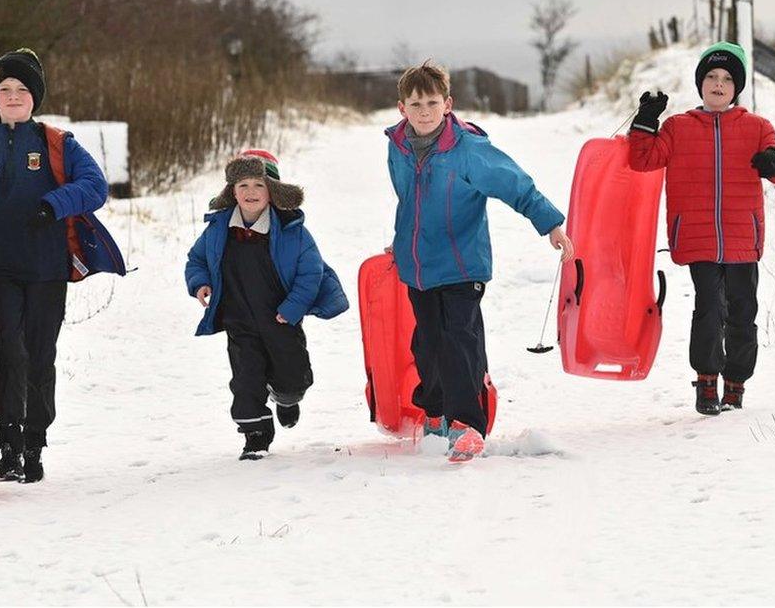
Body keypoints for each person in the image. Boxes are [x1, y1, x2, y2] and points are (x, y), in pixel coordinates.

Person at [0, 48, 125, 482]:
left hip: (46, 268)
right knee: (7, 350)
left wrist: (53, 205)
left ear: (35, 96)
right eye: (4, 89)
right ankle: (9, 439)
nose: (13, 96)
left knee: (39, 353)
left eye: (22, 89)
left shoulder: (57, 143)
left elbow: (94, 186)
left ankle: (35, 442)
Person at [385, 60, 574, 462]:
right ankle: (435, 413)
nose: (424, 112)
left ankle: (467, 424)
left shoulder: (467, 150)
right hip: (418, 265)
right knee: (428, 344)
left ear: (448, 104)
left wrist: (550, 223)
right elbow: (409, 201)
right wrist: (403, 240)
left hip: (462, 264)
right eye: (415, 104)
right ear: (402, 108)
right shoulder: (397, 145)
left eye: (432, 103)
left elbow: (514, 183)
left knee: (460, 341)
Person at [628, 41, 775, 415]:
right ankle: (706, 381)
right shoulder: (678, 127)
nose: (718, 84)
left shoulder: (756, 127)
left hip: (741, 237)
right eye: (710, 77)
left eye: (726, 79)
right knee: (708, 308)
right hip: (698, 236)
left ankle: (735, 383)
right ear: (700, 84)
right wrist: (645, 120)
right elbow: (642, 160)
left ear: (736, 87)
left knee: (742, 311)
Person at [185, 150, 348, 460]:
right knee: (246, 380)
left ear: (272, 192)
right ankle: (255, 435)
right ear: (232, 192)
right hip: (239, 320)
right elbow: (197, 260)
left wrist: (293, 308)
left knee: (291, 375)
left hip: (280, 318)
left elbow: (310, 273)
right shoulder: (218, 229)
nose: (250, 193)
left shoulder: (292, 231)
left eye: (259, 186)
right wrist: (200, 282)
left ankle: (287, 398)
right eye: (243, 185)